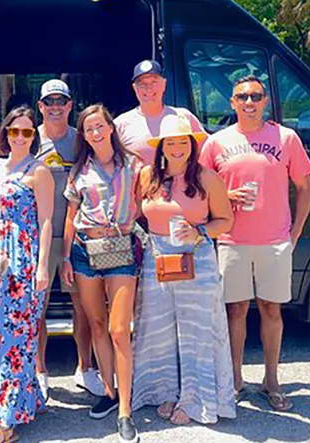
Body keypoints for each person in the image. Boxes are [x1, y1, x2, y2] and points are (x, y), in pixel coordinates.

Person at [199, 76, 310, 412]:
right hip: (232, 240)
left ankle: (271, 380)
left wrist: (295, 231)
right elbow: (199, 188)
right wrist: (224, 195)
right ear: (232, 103)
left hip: (275, 240)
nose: (249, 102)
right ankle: (235, 380)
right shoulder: (216, 143)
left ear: (265, 101)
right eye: (242, 97)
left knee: (271, 310)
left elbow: (305, 187)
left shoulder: (285, 138)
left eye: (256, 96)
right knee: (235, 310)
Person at [131, 114, 236, 425]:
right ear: (161, 146)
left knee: (196, 331)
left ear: (191, 145)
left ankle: (194, 399)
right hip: (157, 260)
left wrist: (200, 232)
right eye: (170, 142)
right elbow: (136, 214)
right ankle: (163, 390)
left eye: (182, 142)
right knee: (158, 329)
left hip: (197, 259)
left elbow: (225, 220)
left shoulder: (206, 178)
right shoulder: (148, 177)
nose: (177, 148)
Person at [61, 104, 142, 443]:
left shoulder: (134, 165)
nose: (95, 132)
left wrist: (132, 219)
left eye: (99, 126)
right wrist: (65, 257)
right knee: (96, 325)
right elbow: (70, 215)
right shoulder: (80, 169)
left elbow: (145, 200)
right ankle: (108, 391)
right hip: (84, 252)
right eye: (88, 128)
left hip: (121, 249)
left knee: (119, 329)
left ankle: (125, 409)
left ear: (110, 127)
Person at [0, 106, 53, 443]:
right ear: (5, 133)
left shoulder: (40, 171)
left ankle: (4, 421)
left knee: (17, 337)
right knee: (1, 335)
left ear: (34, 137)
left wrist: (44, 265)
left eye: (28, 132)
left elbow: (47, 220)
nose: (20, 137)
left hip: (24, 261)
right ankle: (29, 400)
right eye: (15, 131)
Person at [34, 79, 104, 399]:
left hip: (76, 233)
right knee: (38, 306)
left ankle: (85, 368)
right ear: (41, 107)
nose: (55, 107)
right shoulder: (28, 138)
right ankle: (40, 372)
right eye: (49, 102)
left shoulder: (82, 140)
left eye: (61, 100)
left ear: (70, 104)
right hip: (40, 236)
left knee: (83, 305)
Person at [114, 59, 207, 164]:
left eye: (154, 82)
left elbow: (206, 153)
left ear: (164, 84)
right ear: (135, 88)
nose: (148, 89)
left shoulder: (183, 117)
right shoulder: (120, 124)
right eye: (142, 84)